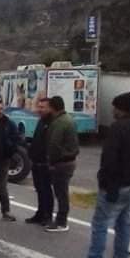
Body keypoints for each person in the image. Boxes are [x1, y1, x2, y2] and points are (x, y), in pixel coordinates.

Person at [71, 93, 130, 258]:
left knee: (100, 223)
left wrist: (105, 181)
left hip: (116, 184)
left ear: (121, 108)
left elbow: (110, 159)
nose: (113, 110)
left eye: (115, 107)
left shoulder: (117, 128)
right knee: (123, 223)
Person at [43, 96, 80, 232]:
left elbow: (54, 144)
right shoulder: (69, 119)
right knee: (62, 192)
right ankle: (61, 219)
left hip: (62, 162)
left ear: (52, 107)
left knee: (61, 193)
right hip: (70, 160)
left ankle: (61, 222)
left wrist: (51, 161)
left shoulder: (59, 122)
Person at [26, 98, 55, 226]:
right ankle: (40, 213)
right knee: (39, 189)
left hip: (45, 162)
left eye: (43, 107)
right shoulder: (41, 121)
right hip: (36, 161)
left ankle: (47, 215)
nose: (40, 109)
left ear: (50, 108)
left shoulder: (52, 123)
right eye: (39, 107)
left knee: (46, 190)